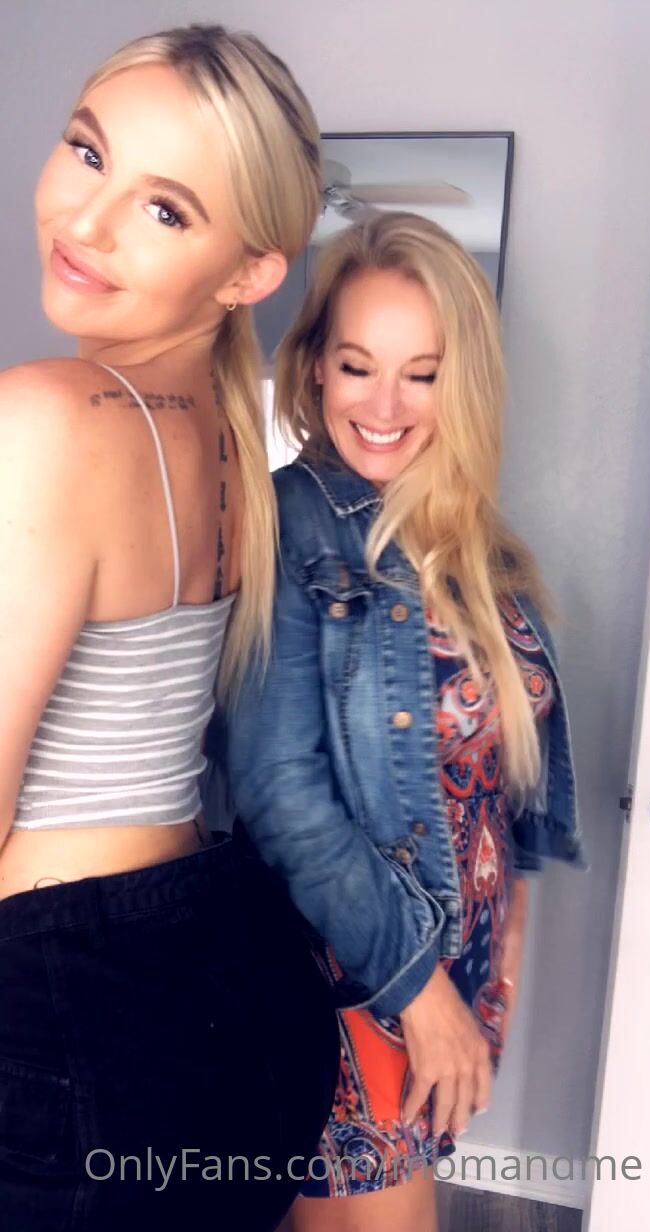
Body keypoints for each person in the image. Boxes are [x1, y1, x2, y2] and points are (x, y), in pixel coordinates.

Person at [0, 24, 339, 1232]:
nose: (87, 221)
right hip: (225, 975)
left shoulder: (48, 416)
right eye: (88, 151)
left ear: (248, 271)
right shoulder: (233, 445)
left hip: (60, 1015)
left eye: (164, 209)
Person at [227, 211, 586, 1232]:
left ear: (460, 383)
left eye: (420, 373)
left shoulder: (477, 544)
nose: (382, 406)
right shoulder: (290, 519)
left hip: (455, 968)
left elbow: (507, 767)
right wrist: (420, 992)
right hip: (357, 975)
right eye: (357, 365)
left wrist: (503, 948)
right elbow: (279, 791)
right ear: (314, 368)